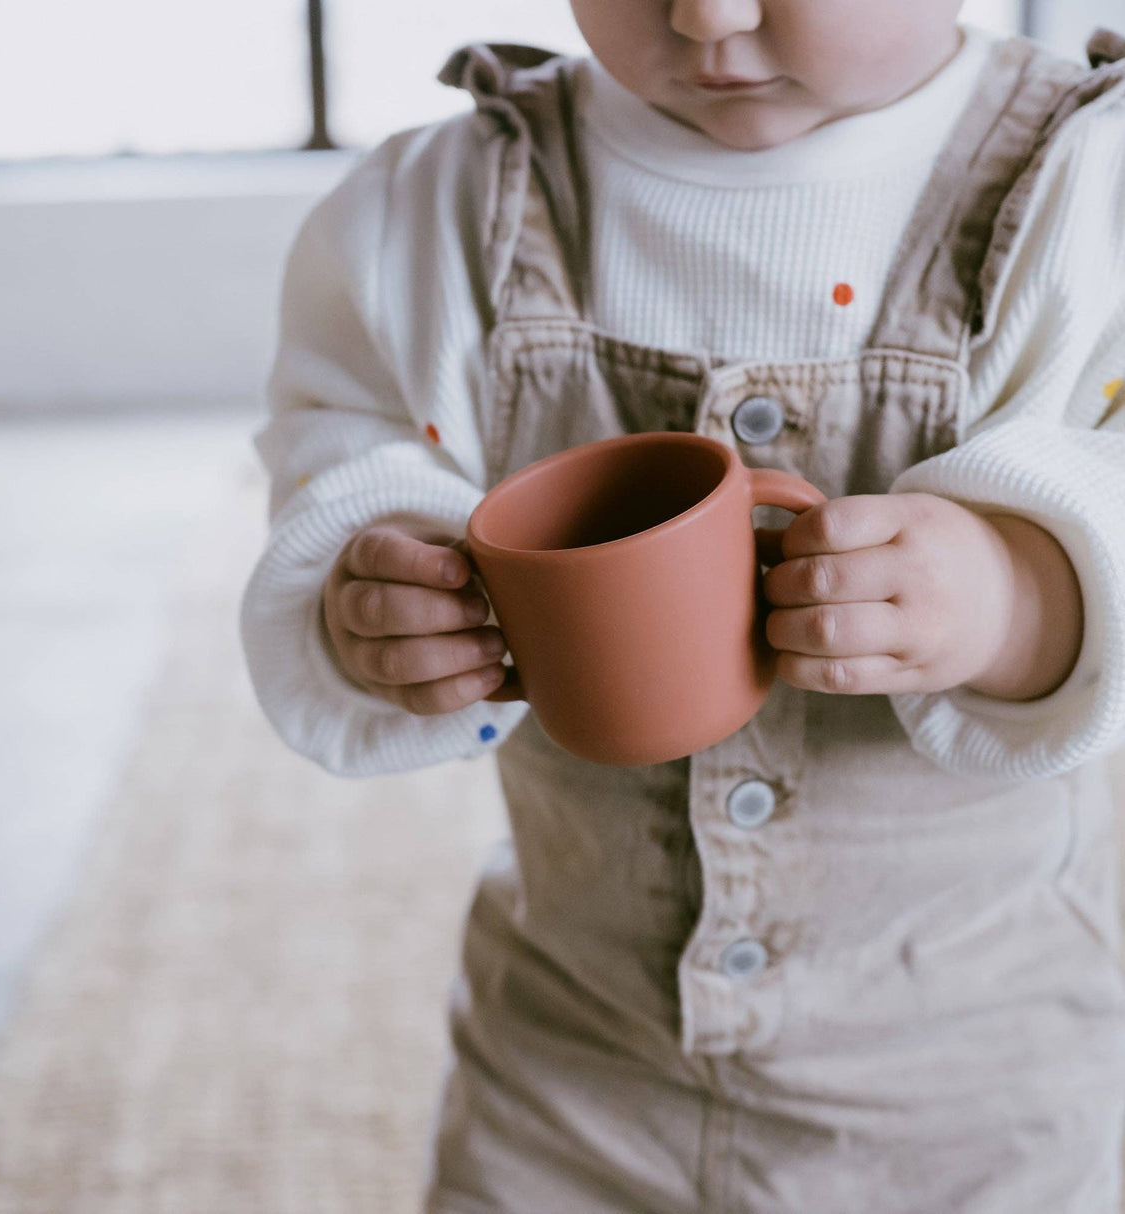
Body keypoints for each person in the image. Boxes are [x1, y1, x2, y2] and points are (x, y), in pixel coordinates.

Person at [240, 2, 1125, 1209]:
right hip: (569, 1059)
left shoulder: (1088, 188)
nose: (705, 14)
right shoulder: (447, 207)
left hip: (970, 1083)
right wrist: (371, 587)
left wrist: (1019, 594)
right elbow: (343, 435)